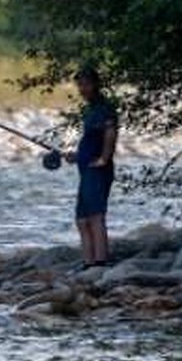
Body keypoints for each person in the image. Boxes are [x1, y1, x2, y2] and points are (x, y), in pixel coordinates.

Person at [65, 67, 118, 267]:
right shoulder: (89, 110)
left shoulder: (104, 107)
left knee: (96, 216)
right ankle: (88, 262)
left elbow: (110, 133)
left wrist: (104, 158)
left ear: (96, 84)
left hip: (98, 169)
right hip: (85, 167)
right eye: (79, 85)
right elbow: (90, 142)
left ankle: (101, 261)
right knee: (81, 219)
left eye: (86, 84)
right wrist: (76, 156)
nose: (82, 89)